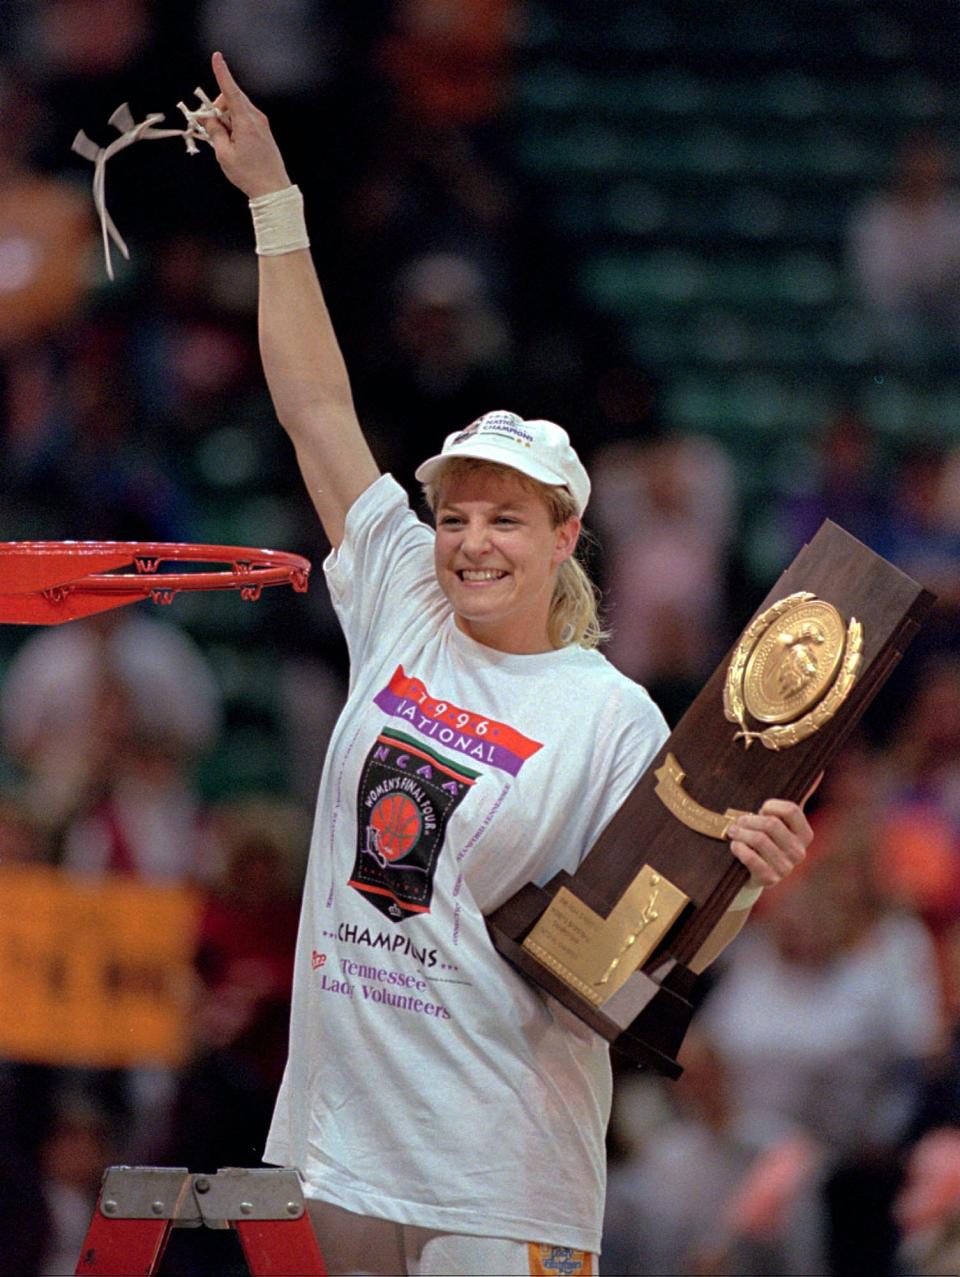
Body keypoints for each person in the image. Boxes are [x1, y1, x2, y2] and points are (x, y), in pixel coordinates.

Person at [203, 50, 813, 1277]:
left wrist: (749, 884)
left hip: (500, 1162)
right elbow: (318, 410)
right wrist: (276, 200)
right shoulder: (402, 601)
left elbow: (647, 943)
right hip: (333, 1150)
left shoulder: (611, 713)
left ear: (564, 537)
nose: (473, 541)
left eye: (506, 518)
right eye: (457, 513)